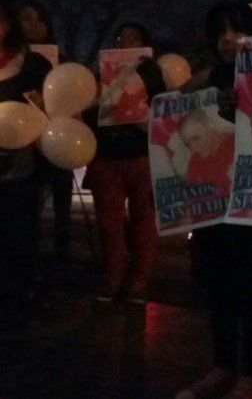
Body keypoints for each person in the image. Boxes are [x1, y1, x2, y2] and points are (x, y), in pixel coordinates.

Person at [175, 1, 252, 399]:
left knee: (250, 288)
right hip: (212, 200)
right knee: (217, 288)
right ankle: (222, 366)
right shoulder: (208, 79)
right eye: (220, 32)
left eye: (237, 30)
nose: (228, 40)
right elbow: (173, 110)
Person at [82, 22, 165, 303]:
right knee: (109, 225)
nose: (125, 43)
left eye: (133, 38)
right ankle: (113, 280)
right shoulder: (102, 73)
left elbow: (164, 112)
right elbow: (86, 111)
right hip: (107, 157)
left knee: (144, 223)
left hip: (142, 157)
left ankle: (139, 282)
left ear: (144, 43)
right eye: (121, 38)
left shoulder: (153, 72)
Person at [0, 0, 52, 329]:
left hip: (20, 165)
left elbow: (53, 109)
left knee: (18, 227)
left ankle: (18, 290)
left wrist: (41, 105)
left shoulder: (32, 64)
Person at [14, 1, 74, 264]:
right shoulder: (11, 61)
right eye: (26, 19)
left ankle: (62, 253)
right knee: (29, 204)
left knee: (62, 201)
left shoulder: (61, 59)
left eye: (39, 20)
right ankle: (29, 257)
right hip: (25, 142)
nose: (33, 25)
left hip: (59, 138)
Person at [179, 108, 236, 196]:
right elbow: (192, 199)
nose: (194, 149)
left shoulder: (235, 143)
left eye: (196, 138)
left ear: (209, 126)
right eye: (188, 144)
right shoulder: (195, 162)